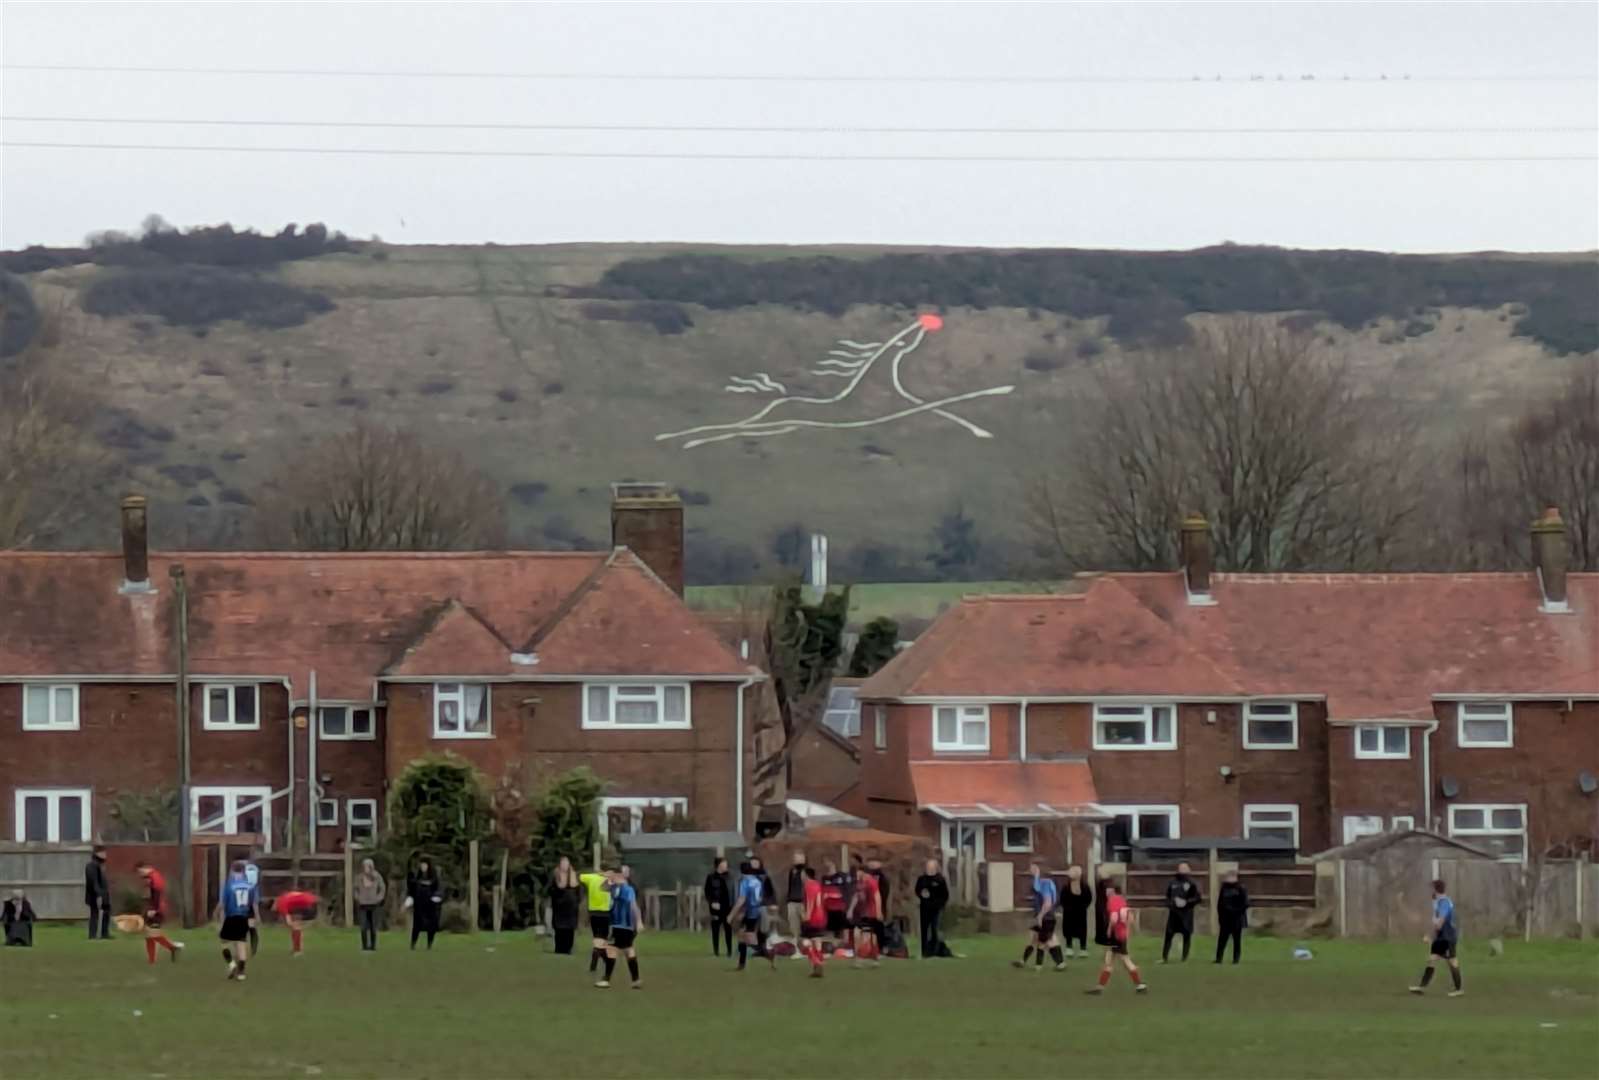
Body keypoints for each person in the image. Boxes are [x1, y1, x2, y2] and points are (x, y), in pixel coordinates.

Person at [1086, 879, 1147, 995]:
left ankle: (1140, 985)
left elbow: (1114, 917)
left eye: (1108, 889)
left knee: (1125, 960)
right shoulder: (1121, 900)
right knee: (1109, 960)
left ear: (1112, 890)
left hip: (1116, 935)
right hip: (1121, 934)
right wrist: (1128, 929)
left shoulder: (1112, 901)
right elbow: (1129, 916)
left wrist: (1109, 930)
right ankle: (1100, 987)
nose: (1106, 892)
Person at [1410, 878, 1464, 997]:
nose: (1430, 891)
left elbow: (1441, 922)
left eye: (1432, 888)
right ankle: (1421, 987)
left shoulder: (1444, 902)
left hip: (1447, 937)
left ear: (1436, 889)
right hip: (1442, 937)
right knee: (1432, 959)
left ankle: (1458, 989)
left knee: (1452, 962)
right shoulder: (1440, 902)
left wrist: (1430, 936)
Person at [595, 867, 644, 990]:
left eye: (617, 875)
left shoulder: (627, 889)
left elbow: (634, 906)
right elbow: (602, 888)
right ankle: (635, 980)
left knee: (612, 949)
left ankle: (606, 979)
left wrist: (638, 921)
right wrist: (608, 879)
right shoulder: (614, 887)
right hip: (621, 925)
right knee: (628, 950)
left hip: (621, 925)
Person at [1013, 862, 1066, 972]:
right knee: (1034, 936)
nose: (1030, 870)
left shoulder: (1044, 883)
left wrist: (1040, 916)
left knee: (1046, 941)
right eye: (1031, 868)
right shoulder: (1041, 883)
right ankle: (1023, 961)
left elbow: (1048, 902)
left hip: (1046, 917)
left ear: (1039, 870)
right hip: (1047, 916)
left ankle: (1050, 964)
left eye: (1034, 868)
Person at [727, 861, 773, 972]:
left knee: (746, 937)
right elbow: (759, 896)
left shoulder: (745, 882)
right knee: (742, 936)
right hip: (756, 910)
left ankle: (766, 953)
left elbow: (741, 899)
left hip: (750, 912)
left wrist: (731, 914)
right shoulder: (757, 881)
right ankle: (742, 964)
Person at [135, 861, 184, 964]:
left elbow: (157, 894)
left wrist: (154, 910)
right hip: (152, 909)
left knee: (152, 933)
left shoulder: (155, 877)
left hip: (157, 910)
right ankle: (152, 960)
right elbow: (149, 895)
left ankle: (173, 947)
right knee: (149, 935)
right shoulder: (149, 877)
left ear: (144, 868)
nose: (139, 875)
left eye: (140, 872)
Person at [218, 860, 258, 980]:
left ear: (232, 870)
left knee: (224, 942)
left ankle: (232, 964)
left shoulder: (229, 884)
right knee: (241, 944)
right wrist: (255, 916)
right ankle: (241, 973)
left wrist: (216, 913)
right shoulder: (249, 886)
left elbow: (222, 903)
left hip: (231, 917)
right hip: (243, 917)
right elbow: (252, 903)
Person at [1161, 862, 1202, 963]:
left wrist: (1186, 902)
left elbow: (1197, 898)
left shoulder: (1192, 883)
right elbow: (1167, 897)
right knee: (1169, 935)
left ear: (1189, 870)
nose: (1183, 870)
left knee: (1186, 936)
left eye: (1185, 868)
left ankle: (1184, 958)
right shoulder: (1172, 883)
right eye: (1181, 868)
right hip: (1174, 914)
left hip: (1186, 914)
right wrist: (1172, 904)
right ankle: (1164, 957)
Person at [578, 864, 613, 973]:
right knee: (602, 939)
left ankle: (594, 965)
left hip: (593, 913)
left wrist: (597, 873)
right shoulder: (610, 880)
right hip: (605, 913)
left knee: (597, 938)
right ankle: (605, 961)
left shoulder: (592, 877)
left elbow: (579, 876)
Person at [848, 862, 883, 967]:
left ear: (863, 872)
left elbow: (877, 896)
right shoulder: (860, 882)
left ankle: (873, 958)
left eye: (858, 872)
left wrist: (878, 911)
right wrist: (850, 909)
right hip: (862, 913)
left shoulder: (871, 882)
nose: (857, 874)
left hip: (871, 913)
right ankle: (860, 959)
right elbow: (856, 896)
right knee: (858, 933)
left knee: (870, 936)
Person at [914, 858, 950, 958]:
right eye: (928, 866)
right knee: (924, 930)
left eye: (931, 866)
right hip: (924, 908)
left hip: (936, 909)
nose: (929, 868)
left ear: (936, 867)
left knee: (935, 929)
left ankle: (934, 951)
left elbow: (945, 895)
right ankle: (924, 951)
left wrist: (940, 905)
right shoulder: (921, 879)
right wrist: (921, 894)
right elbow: (917, 890)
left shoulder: (940, 879)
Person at [407, 857, 443, 951]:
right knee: (417, 925)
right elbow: (412, 889)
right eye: (421, 865)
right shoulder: (417, 878)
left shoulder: (434, 878)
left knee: (431, 925)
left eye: (425, 865)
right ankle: (413, 944)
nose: (423, 867)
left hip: (430, 905)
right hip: (419, 905)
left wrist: (436, 897)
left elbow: (438, 889)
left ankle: (429, 944)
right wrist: (410, 898)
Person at [798, 866, 828, 978]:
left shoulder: (808, 885)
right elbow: (820, 900)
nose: (801, 876)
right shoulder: (817, 884)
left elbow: (811, 901)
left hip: (812, 918)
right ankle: (818, 967)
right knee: (817, 942)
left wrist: (807, 915)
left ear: (806, 875)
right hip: (820, 916)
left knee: (804, 942)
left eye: (802, 874)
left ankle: (817, 962)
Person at [1215, 869, 1249, 965]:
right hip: (1225, 919)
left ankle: (1236, 959)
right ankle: (1218, 958)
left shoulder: (1241, 888)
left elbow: (1245, 903)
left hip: (1237, 919)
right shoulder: (1224, 888)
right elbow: (1220, 903)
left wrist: (1235, 911)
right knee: (1222, 939)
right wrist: (1220, 916)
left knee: (1236, 940)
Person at [549, 856, 582, 956]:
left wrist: (576, 901)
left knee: (569, 929)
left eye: (566, 863)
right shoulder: (555, 875)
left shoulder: (573, 875)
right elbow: (550, 889)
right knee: (559, 929)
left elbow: (578, 891)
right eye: (563, 863)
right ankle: (559, 948)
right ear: (560, 864)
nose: (564, 865)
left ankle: (568, 948)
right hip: (559, 907)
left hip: (571, 908)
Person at [1060, 865, 1093, 959]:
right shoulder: (1066, 887)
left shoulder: (1085, 886)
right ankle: (1069, 948)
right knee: (1068, 930)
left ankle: (1083, 949)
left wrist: (1084, 907)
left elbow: (1089, 898)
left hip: (1081, 913)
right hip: (1068, 913)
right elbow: (1062, 899)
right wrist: (1066, 908)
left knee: (1082, 930)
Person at [354, 858, 386, 952]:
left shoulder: (377, 877)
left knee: (373, 926)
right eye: (364, 866)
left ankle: (372, 946)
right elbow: (355, 889)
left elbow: (382, 888)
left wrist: (378, 898)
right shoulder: (359, 878)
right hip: (363, 905)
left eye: (368, 866)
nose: (366, 868)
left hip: (374, 905)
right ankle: (364, 947)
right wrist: (358, 898)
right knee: (363, 926)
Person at [703, 857, 733, 957]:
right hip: (715, 907)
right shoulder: (711, 877)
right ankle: (716, 951)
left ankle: (729, 951)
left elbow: (732, 891)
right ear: (719, 865)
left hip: (727, 907)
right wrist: (712, 902)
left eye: (726, 864)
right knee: (715, 929)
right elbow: (707, 892)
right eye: (724, 864)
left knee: (728, 929)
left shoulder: (729, 877)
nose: (726, 866)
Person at [274, 890, 318, 956]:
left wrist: (290, 924)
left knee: (296, 928)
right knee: (296, 928)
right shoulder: (283, 898)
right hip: (311, 903)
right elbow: (296, 894)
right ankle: (297, 949)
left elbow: (288, 921)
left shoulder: (281, 904)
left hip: (309, 906)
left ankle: (298, 950)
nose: (276, 911)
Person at [85, 846, 111, 941]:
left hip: (103, 895)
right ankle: (92, 935)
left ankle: (105, 933)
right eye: (103, 853)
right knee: (95, 914)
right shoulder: (91, 866)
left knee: (106, 912)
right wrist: (99, 895)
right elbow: (93, 882)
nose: (105, 855)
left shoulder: (99, 865)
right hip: (95, 895)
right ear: (97, 853)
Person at [785, 850, 809, 940]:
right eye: (796, 858)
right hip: (792, 901)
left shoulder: (804, 872)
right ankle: (796, 942)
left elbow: (807, 887)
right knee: (793, 925)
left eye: (799, 858)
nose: (797, 860)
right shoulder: (791, 871)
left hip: (802, 901)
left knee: (805, 924)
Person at [244, 847, 263, 954]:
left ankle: (247, 948)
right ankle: (253, 949)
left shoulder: (246, 868)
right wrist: (257, 914)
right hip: (249, 902)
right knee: (251, 927)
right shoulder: (255, 869)